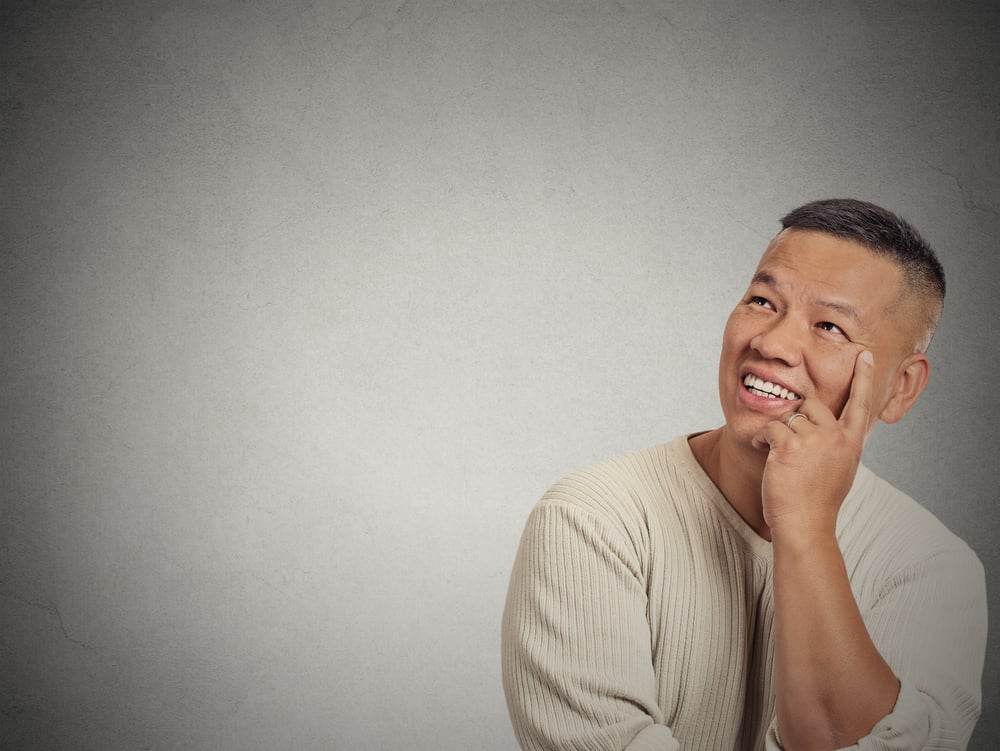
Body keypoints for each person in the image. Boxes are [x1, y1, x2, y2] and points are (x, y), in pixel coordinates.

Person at [501, 199, 987, 751]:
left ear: (901, 387)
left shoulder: (931, 569)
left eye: (829, 326)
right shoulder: (591, 519)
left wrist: (805, 525)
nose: (771, 344)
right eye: (761, 301)